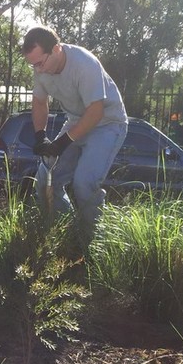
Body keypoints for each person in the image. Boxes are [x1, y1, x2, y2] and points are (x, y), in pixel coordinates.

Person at [21, 26, 128, 245]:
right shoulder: (41, 69)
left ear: (57, 49)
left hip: (107, 124)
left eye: (40, 63)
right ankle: (66, 233)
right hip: (76, 122)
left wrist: (64, 141)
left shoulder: (84, 64)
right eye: (33, 65)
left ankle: (91, 241)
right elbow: (40, 102)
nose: (38, 70)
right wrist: (40, 135)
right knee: (45, 180)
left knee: (84, 182)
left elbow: (96, 112)